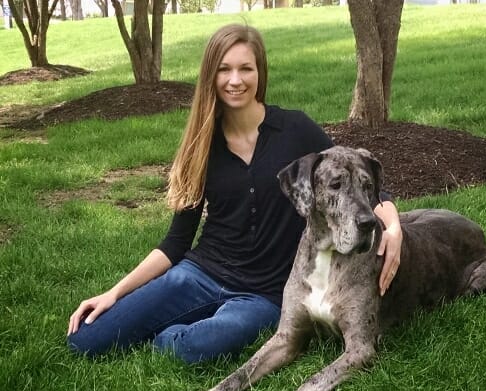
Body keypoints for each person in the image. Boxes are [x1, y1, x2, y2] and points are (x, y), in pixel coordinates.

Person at [67, 24, 402, 364]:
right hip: (199, 274)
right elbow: (176, 242)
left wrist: (393, 227)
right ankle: (177, 316)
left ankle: (179, 329)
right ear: (211, 76)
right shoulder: (201, 144)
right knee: (87, 339)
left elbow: (361, 180)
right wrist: (115, 293)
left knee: (192, 349)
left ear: (260, 73)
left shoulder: (295, 130)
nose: (235, 80)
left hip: (262, 296)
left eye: (246, 68)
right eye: (224, 69)